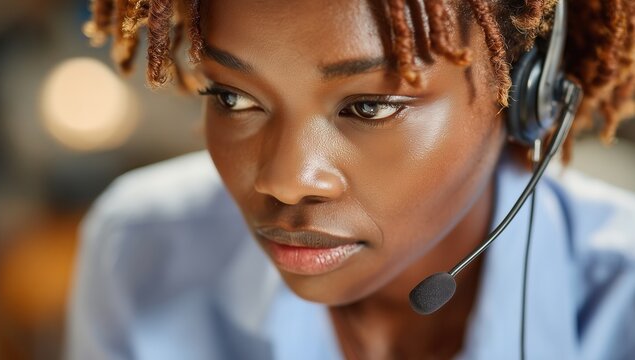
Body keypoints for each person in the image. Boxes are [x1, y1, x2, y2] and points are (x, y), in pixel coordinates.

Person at [66, 0, 635, 359]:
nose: (287, 182)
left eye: (369, 107)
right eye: (232, 97)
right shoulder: (139, 249)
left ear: (528, 94)